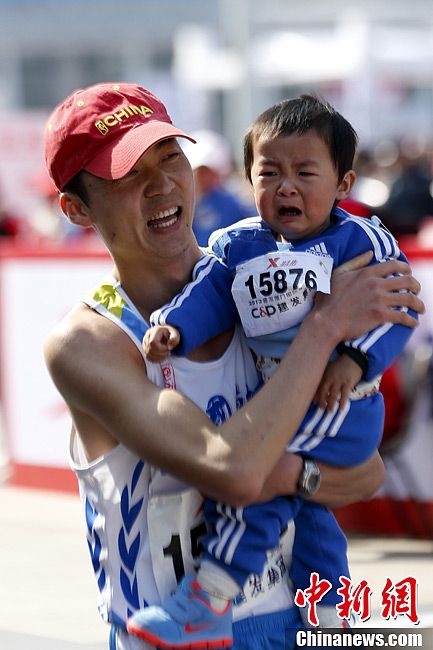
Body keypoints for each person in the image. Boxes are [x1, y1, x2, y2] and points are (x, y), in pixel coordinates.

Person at [42, 82, 423, 650]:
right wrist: (323, 329)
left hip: (297, 621)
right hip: (172, 635)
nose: (161, 184)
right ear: (76, 208)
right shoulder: (89, 341)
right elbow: (235, 473)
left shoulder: (265, 277)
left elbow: (365, 474)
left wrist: (295, 477)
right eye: (127, 175)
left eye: (170, 156)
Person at [182, 129, 255, 246]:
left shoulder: (233, 204)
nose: (201, 177)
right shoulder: (185, 203)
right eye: (198, 171)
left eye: (206, 171)